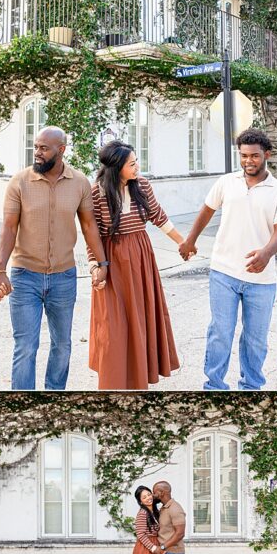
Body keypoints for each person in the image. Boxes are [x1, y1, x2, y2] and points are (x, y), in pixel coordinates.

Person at [0, 126, 109, 390]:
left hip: (64, 277)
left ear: (61, 150)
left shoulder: (80, 182)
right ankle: (23, 401)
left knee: (63, 344)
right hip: (25, 276)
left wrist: (101, 263)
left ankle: (54, 394)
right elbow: (8, 228)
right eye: (36, 147)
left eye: (44, 148)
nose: (37, 153)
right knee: (25, 345)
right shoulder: (19, 182)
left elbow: (89, 225)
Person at [179, 129, 277, 390]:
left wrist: (266, 253)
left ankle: (251, 387)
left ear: (266, 155)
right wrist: (190, 241)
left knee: (255, 339)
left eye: (254, 156)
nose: (248, 161)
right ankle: (214, 386)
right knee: (220, 333)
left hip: (261, 279)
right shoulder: (226, 182)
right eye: (244, 155)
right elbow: (207, 210)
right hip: (223, 272)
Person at [88, 141, 184, 389]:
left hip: (141, 258)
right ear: (117, 167)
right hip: (111, 261)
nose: (137, 167)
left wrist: (183, 243)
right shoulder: (97, 192)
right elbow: (92, 234)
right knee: (113, 325)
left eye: (136, 162)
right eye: (132, 164)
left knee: (140, 319)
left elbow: (159, 217)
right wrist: (96, 266)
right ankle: (112, 381)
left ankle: (139, 376)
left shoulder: (142, 186)